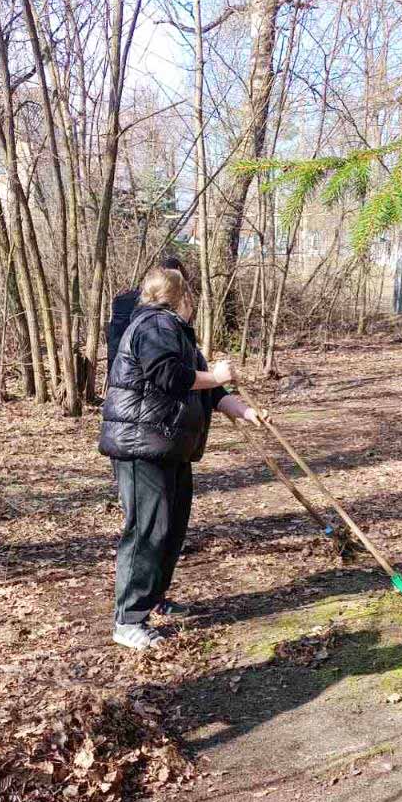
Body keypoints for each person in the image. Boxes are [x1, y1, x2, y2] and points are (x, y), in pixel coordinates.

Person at [99, 262, 263, 650]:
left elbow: (205, 387)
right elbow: (170, 376)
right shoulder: (155, 324)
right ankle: (129, 619)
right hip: (142, 445)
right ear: (179, 296)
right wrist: (220, 375)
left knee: (170, 528)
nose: (194, 301)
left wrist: (244, 411)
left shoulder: (173, 331)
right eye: (190, 294)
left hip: (168, 445)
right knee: (148, 531)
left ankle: (151, 599)